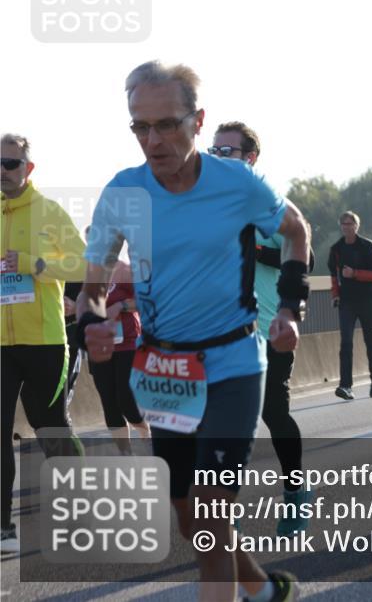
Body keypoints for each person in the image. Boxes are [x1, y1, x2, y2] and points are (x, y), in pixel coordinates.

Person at [77, 61, 309, 601]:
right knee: (192, 523)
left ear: (198, 120)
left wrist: (290, 309)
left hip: (232, 362)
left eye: (167, 125)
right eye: (140, 127)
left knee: (209, 509)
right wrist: (93, 323)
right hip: (164, 370)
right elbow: (90, 289)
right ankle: (264, 587)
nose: (153, 140)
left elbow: (298, 233)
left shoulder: (238, 183)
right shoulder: (123, 193)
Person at [211, 121, 314, 536]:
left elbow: (302, 256)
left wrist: (253, 253)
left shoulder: (272, 204)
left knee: (273, 412)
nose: (217, 159)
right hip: (222, 332)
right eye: (212, 151)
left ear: (250, 158)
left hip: (270, 327)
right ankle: (226, 507)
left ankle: (295, 491)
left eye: (226, 152)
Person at [1, 133, 86, 555]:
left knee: (47, 422)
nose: (3, 170)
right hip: (1, 343)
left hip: (46, 341)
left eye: (11, 163)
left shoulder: (48, 212)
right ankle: (3, 529)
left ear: (28, 169)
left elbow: (83, 261)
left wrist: (37, 265)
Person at [86, 260, 148, 452]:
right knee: (109, 402)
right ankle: (126, 454)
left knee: (125, 398)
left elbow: (145, 301)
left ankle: (145, 432)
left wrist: (119, 305)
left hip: (127, 344)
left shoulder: (126, 271)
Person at [328, 211, 372, 399]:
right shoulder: (336, 249)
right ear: (341, 226)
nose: (347, 227)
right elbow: (334, 276)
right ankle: (345, 386)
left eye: (350, 223)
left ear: (357, 226)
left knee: (371, 341)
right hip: (347, 302)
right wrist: (335, 295)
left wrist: (354, 274)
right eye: (344, 224)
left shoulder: (368, 246)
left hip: (368, 300)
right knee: (346, 343)